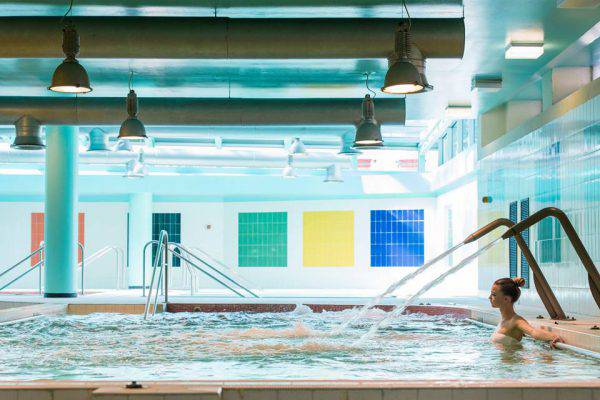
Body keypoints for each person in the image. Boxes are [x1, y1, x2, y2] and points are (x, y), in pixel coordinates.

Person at [489, 277, 564, 348]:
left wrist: (554, 336)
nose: (489, 297)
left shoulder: (516, 321)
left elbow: (533, 332)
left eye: (493, 294)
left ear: (506, 299)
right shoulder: (504, 321)